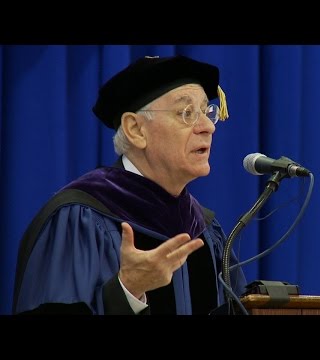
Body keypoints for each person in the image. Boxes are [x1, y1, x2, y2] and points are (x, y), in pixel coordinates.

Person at [12, 55, 247, 315]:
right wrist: (128, 291)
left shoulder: (206, 231)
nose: (207, 127)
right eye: (187, 113)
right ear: (135, 129)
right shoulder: (80, 219)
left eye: (207, 112)